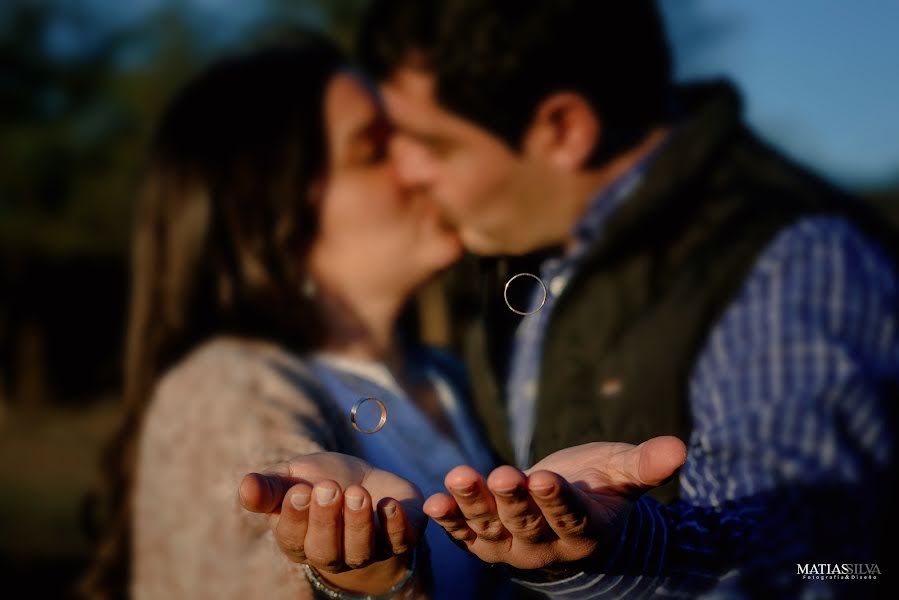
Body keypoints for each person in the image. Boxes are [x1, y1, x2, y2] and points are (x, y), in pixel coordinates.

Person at [350, 1, 899, 597]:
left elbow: (814, 565)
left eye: (434, 143)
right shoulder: (529, 239)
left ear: (564, 129)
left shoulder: (794, 261)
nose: (405, 171)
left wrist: (627, 546)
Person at [79, 37, 508, 600]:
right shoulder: (224, 390)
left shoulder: (452, 376)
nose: (423, 164)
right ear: (277, 212)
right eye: (375, 149)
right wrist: (354, 578)